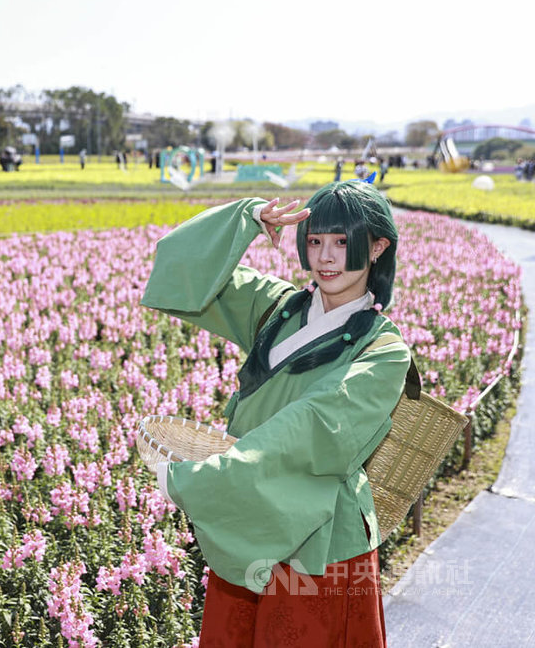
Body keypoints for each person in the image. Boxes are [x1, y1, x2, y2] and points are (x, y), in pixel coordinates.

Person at [141, 180, 409, 646]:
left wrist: (207, 477)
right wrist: (243, 220)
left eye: (343, 243)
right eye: (315, 241)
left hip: (320, 539)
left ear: (378, 246)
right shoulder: (278, 307)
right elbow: (180, 271)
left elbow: (316, 424)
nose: (326, 257)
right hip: (247, 507)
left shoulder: (384, 350)